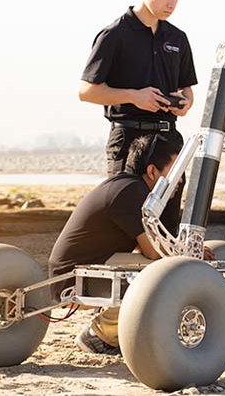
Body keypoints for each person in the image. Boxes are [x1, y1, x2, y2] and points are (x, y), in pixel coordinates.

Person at [47, 134, 181, 355]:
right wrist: (184, 255)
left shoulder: (128, 186)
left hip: (84, 268)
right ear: (152, 171)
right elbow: (153, 252)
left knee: (161, 268)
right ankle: (98, 335)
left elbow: (147, 247)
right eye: (174, 172)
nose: (179, 180)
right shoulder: (132, 192)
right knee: (160, 273)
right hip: (72, 278)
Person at [78, 0, 198, 177]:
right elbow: (86, 91)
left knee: (170, 214)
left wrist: (185, 104)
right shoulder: (114, 35)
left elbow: (187, 90)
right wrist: (134, 96)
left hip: (168, 142)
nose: (172, 4)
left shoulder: (178, 38)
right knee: (126, 211)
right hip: (127, 140)